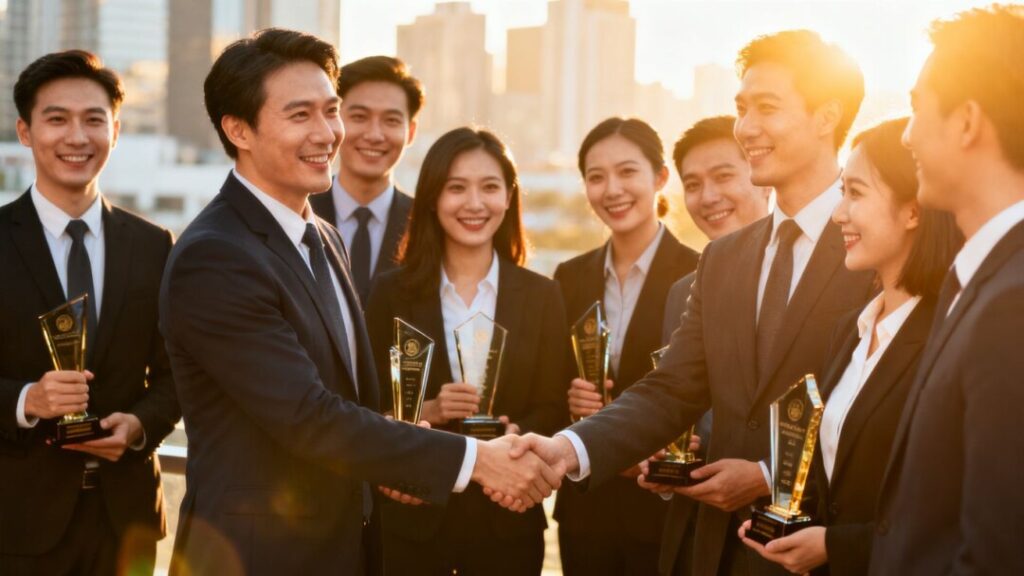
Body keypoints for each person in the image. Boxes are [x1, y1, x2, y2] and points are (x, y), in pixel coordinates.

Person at [159, 29, 560, 575]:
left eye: (330, 111)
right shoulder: (215, 257)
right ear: (238, 129)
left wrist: (407, 449)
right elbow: (308, 415)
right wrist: (475, 459)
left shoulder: (323, 237)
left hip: (347, 546)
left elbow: (354, 401)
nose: (328, 133)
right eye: (300, 115)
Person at [507, 30, 874, 576]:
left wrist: (768, 473)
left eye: (767, 107)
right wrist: (567, 450)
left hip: (819, 554)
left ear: (827, 116)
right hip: (711, 553)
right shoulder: (723, 259)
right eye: (741, 109)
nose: (746, 127)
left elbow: (886, 413)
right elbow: (672, 388)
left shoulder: (875, 246)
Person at [735, 117, 961, 575]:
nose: (838, 214)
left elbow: (954, 511)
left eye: (855, 193)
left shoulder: (950, 335)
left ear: (913, 211)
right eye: (842, 193)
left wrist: (836, 546)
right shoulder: (850, 331)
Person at [0, 50, 180, 574]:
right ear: (25, 131)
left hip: (126, 525)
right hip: (16, 525)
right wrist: (27, 399)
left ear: (115, 131)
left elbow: (178, 372)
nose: (77, 137)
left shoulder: (154, 244)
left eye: (94, 120)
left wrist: (141, 426)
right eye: (57, 119)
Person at [365, 126, 569, 575]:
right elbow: (365, 403)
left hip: (508, 521)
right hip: (413, 520)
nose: (474, 203)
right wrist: (431, 410)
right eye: (456, 188)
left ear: (509, 197)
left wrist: (518, 433)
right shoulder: (390, 294)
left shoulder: (542, 295)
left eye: (489, 187)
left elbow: (555, 406)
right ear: (432, 198)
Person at [867, 7, 1024, 574]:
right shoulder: (982, 280)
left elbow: (997, 553)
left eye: (916, 108)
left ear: (966, 122)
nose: (906, 134)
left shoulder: (1011, 304)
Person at [553, 117, 700, 575]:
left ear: (660, 177)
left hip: (662, 509)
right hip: (587, 510)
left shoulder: (700, 274)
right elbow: (549, 380)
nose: (612, 189)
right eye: (596, 177)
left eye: (627, 172)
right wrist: (571, 400)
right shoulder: (569, 277)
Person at [657, 115, 771, 576]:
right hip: (694, 539)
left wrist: (765, 475)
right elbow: (673, 397)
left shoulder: (836, 278)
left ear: (762, 176)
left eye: (723, 176)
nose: (707, 197)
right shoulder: (681, 292)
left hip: (779, 543)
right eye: (693, 184)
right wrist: (662, 454)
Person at [310, 55, 420, 304]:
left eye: (391, 120)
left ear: (411, 132)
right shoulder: (298, 214)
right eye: (359, 117)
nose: (374, 135)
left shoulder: (427, 224)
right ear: (333, 121)